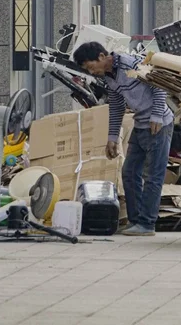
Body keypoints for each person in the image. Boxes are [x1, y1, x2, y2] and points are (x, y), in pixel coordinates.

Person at [73, 42, 174, 237]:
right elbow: (117, 107)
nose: (91, 71)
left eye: (90, 66)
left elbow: (159, 84)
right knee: (129, 172)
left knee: (153, 176)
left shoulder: (131, 64)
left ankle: (147, 224)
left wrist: (157, 115)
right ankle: (135, 220)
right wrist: (112, 137)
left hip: (158, 124)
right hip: (140, 124)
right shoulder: (110, 78)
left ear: (102, 56)